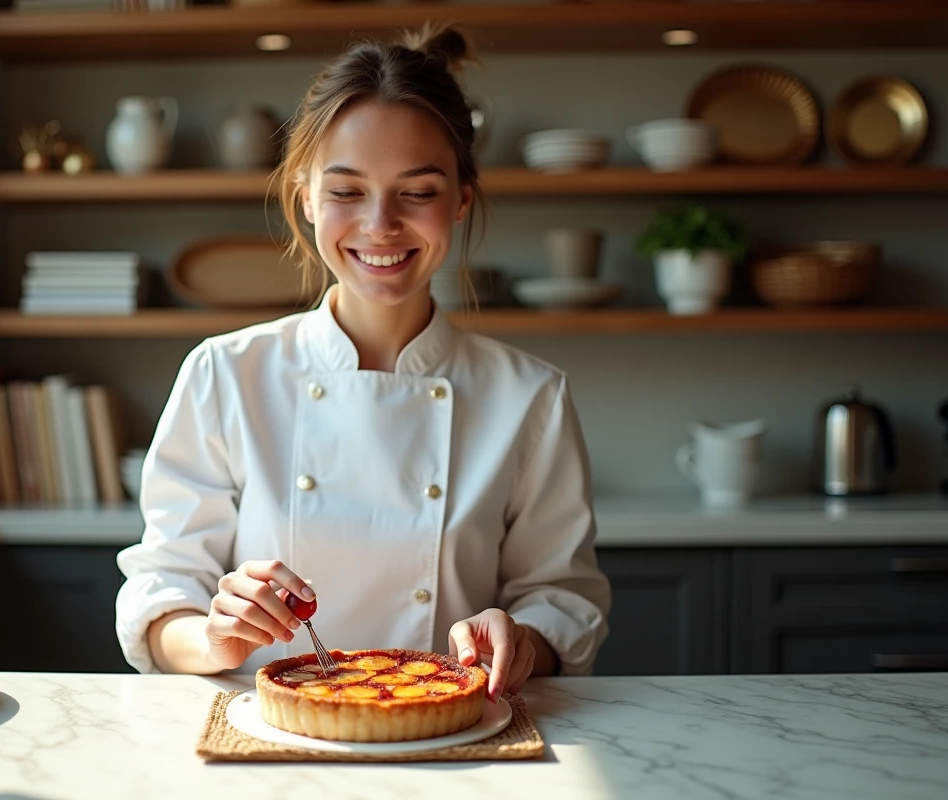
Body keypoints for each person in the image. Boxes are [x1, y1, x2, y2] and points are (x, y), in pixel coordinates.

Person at [115, 24, 610, 703]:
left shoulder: (531, 397)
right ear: (306, 195)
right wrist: (212, 637)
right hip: (268, 738)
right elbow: (162, 590)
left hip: (452, 736)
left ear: (462, 198)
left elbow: (563, 598)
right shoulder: (224, 374)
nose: (380, 225)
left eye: (419, 191)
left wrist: (523, 640)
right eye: (346, 190)